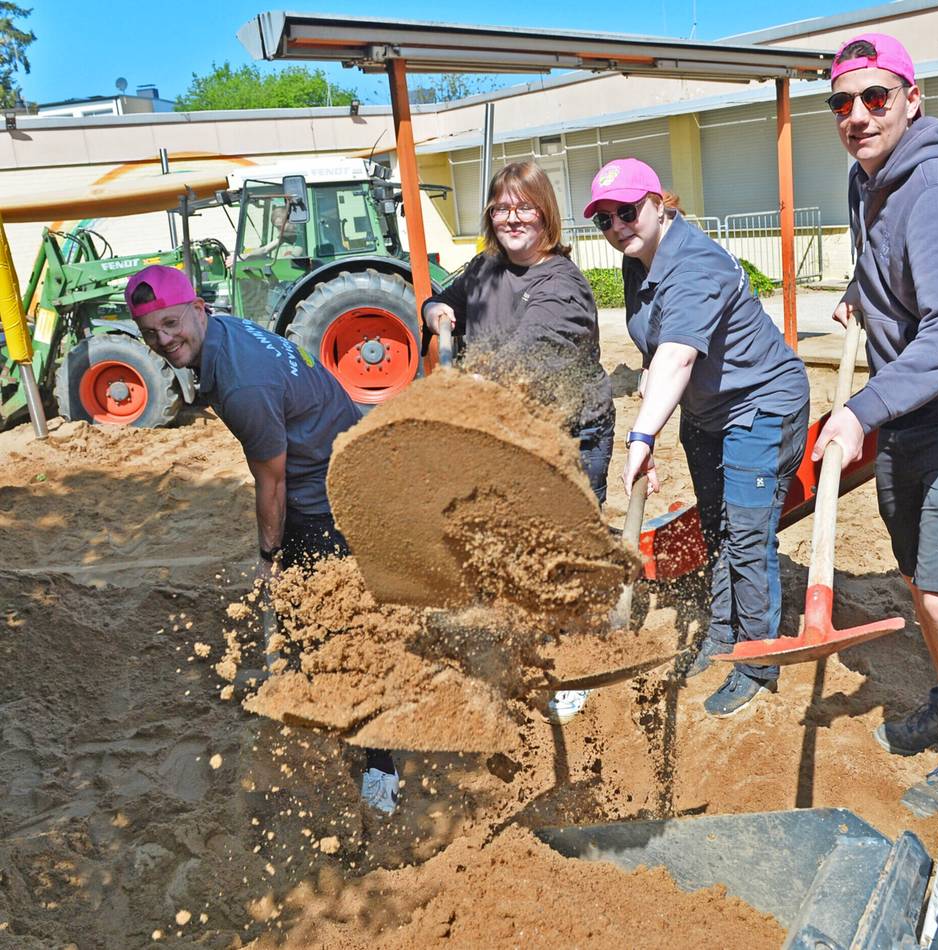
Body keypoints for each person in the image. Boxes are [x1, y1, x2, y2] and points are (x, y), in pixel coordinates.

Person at [124, 264, 400, 815]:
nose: (163, 340)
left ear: (198, 309)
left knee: (341, 629)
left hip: (326, 496)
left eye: (172, 324)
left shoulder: (242, 382)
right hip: (337, 461)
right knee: (307, 619)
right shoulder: (223, 331)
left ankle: (382, 764)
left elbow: (270, 482)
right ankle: (311, 691)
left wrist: (267, 556)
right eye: (150, 333)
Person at [586, 158, 810, 717]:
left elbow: (681, 353)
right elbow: (655, 356)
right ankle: (722, 636)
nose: (617, 226)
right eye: (604, 219)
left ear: (660, 203)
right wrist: (651, 437)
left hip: (761, 402)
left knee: (747, 533)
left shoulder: (696, 263)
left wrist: (639, 437)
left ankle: (757, 663)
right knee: (715, 526)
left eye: (628, 211)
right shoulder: (638, 262)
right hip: (706, 410)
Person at [421, 160, 614, 726]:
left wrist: (473, 387)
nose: (512, 218)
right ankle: (520, 650)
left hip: (569, 435)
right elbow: (447, 299)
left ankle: (576, 667)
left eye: (523, 207)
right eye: (501, 208)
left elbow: (533, 348)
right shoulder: (485, 267)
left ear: (545, 213)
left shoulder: (562, 285)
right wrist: (437, 308)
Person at [813, 34, 938, 817]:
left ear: (911, 98)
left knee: (937, 595)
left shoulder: (931, 184)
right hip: (907, 408)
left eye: (875, 97)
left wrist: (857, 409)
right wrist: (860, 292)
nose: (857, 115)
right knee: (919, 573)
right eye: (842, 102)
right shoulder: (866, 178)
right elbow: (888, 267)